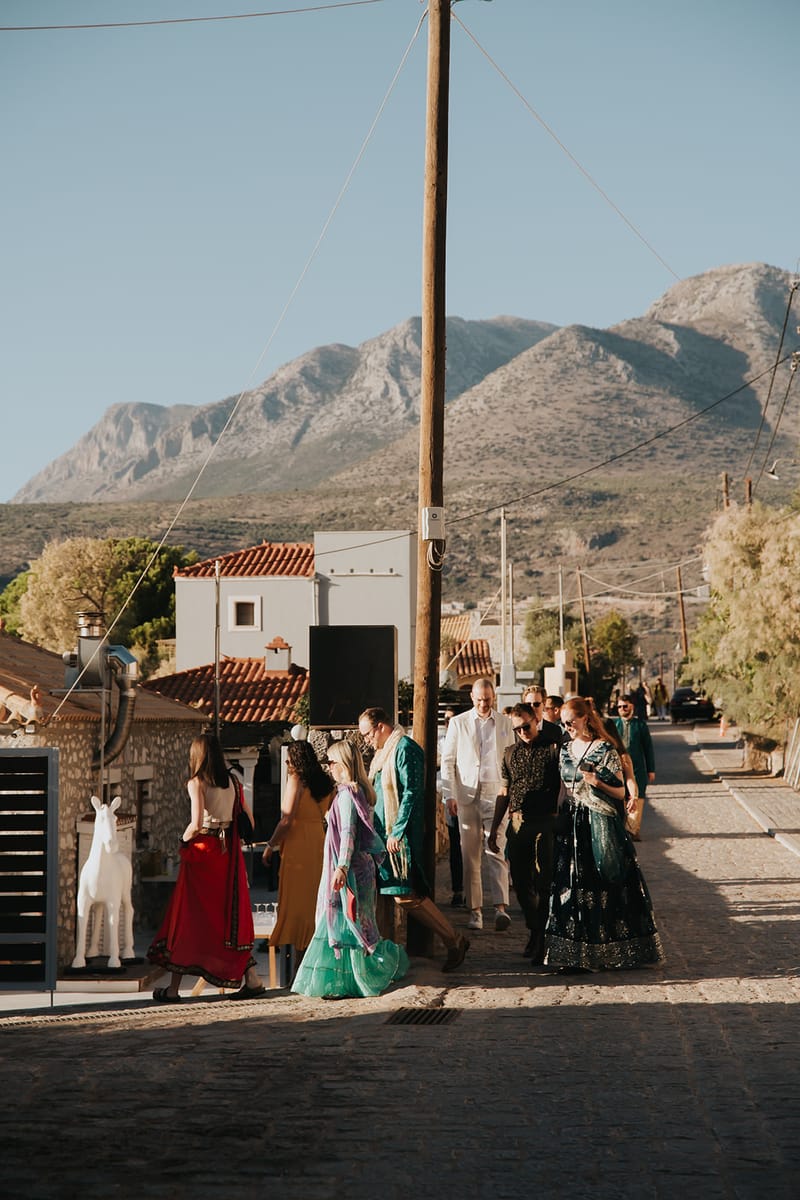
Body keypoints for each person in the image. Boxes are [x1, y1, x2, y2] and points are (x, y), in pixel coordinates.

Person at [545, 697, 665, 972]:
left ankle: (602, 951)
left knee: (599, 884)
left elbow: (621, 792)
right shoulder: (563, 750)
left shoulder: (605, 750)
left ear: (585, 719)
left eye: (571, 722)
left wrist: (597, 782)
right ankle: (573, 953)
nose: (567, 727)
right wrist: (556, 815)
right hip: (571, 827)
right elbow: (563, 789)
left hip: (598, 824)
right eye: (563, 723)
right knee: (570, 887)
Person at [147, 732, 265, 1001]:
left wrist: (182, 840)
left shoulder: (196, 782)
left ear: (197, 756)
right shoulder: (234, 782)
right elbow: (249, 821)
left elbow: (196, 822)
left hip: (203, 854)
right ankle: (252, 978)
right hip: (226, 857)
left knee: (189, 916)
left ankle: (174, 989)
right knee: (227, 917)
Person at [291, 740, 409, 999]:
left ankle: (353, 981)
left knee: (347, 922)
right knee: (356, 922)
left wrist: (342, 867)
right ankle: (350, 980)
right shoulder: (356, 792)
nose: (329, 768)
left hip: (350, 869)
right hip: (360, 867)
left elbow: (348, 833)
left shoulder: (346, 795)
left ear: (344, 764)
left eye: (332, 762)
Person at [358, 707, 469, 972]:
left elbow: (411, 792)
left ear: (381, 727)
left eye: (366, 734)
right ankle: (383, 956)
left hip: (399, 835)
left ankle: (454, 939)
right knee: (389, 895)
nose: (365, 740)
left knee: (406, 894)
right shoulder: (383, 752)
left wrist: (397, 830)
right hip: (381, 834)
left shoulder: (405, 748)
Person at [488, 703, 561, 964]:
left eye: (525, 726)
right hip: (517, 823)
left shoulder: (553, 748)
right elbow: (504, 792)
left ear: (536, 720)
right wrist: (495, 827)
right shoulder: (510, 754)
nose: (522, 732)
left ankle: (541, 937)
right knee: (520, 883)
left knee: (544, 883)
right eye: (516, 729)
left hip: (545, 822)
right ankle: (535, 929)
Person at [441, 678, 515, 932]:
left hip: (496, 794)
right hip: (466, 795)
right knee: (469, 855)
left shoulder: (505, 723)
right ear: (472, 698)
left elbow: (511, 759)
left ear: (493, 697)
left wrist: (511, 792)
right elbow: (448, 761)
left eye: (488, 698)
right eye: (480, 699)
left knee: (497, 849)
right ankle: (475, 911)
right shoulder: (458, 723)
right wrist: (449, 794)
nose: (484, 703)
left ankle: (500, 907)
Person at [262, 740, 334, 970]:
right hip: (318, 841)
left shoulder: (296, 780)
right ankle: (312, 961)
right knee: (313, 901)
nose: (286, 764)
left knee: (297, 903)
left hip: (298, 845)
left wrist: (271, 844)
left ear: (294, 760)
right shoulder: (326, 783)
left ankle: (299, 968)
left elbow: (286, 819)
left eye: (288, 760)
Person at [613, 693, 655, 838]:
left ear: (632, 706)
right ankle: (624, 828)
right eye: (619, 707)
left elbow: (648, 748)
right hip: (618, 768)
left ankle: (632, 830)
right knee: (622, 797)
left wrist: (651, 769)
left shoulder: (640, 725)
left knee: (638, 797)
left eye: (625, 706)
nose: (622, 709)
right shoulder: (614, 725)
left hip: (638, 768)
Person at [438, 707, 464, 907]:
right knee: (456, 846)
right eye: (446, 720)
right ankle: (458, 890)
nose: (448, 723)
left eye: (451, 719)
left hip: (469, 797)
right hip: (449, 798)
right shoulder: (440, 740)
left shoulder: (466, 741)